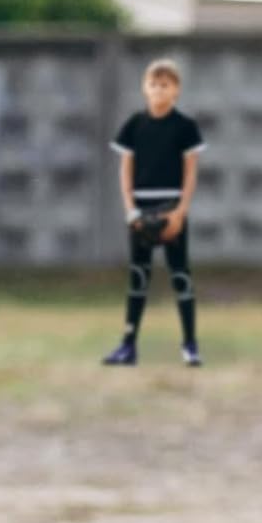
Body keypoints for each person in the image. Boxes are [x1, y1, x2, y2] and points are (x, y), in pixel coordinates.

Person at [103, 58, 204, 367]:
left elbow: (190, 173)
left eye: (165, 84)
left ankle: (190, 344)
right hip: (141, 206)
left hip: (171, 206)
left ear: (176, 90)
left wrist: (180, 212)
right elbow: (125, 171)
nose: (159, 90)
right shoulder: (134, 125)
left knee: (180, 275)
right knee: (138, 276)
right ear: (144, 88)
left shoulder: (185, 127)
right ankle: (128, 345)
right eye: (153, 84)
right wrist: (131, 211)